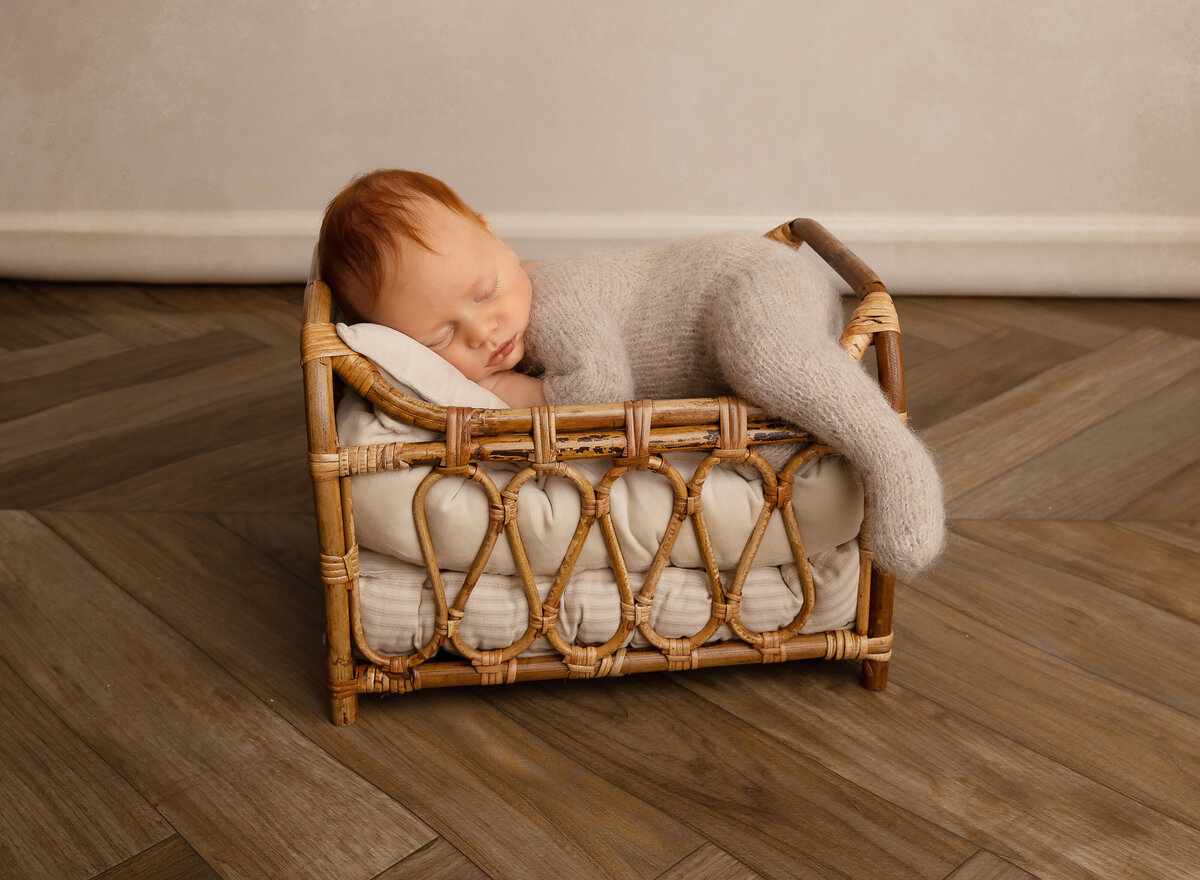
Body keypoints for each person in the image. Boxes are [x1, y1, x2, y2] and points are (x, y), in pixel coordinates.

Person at [318, 170, 945, 576]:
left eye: (485, 292)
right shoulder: (505, 310)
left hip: (746, 283)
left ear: (498, 239)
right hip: (728, 314)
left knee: (768, 357)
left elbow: (600, 394)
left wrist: (523, 393)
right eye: (441, 337)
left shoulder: (554, 298)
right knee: (761, 381)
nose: (483, 330)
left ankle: (892, 457)